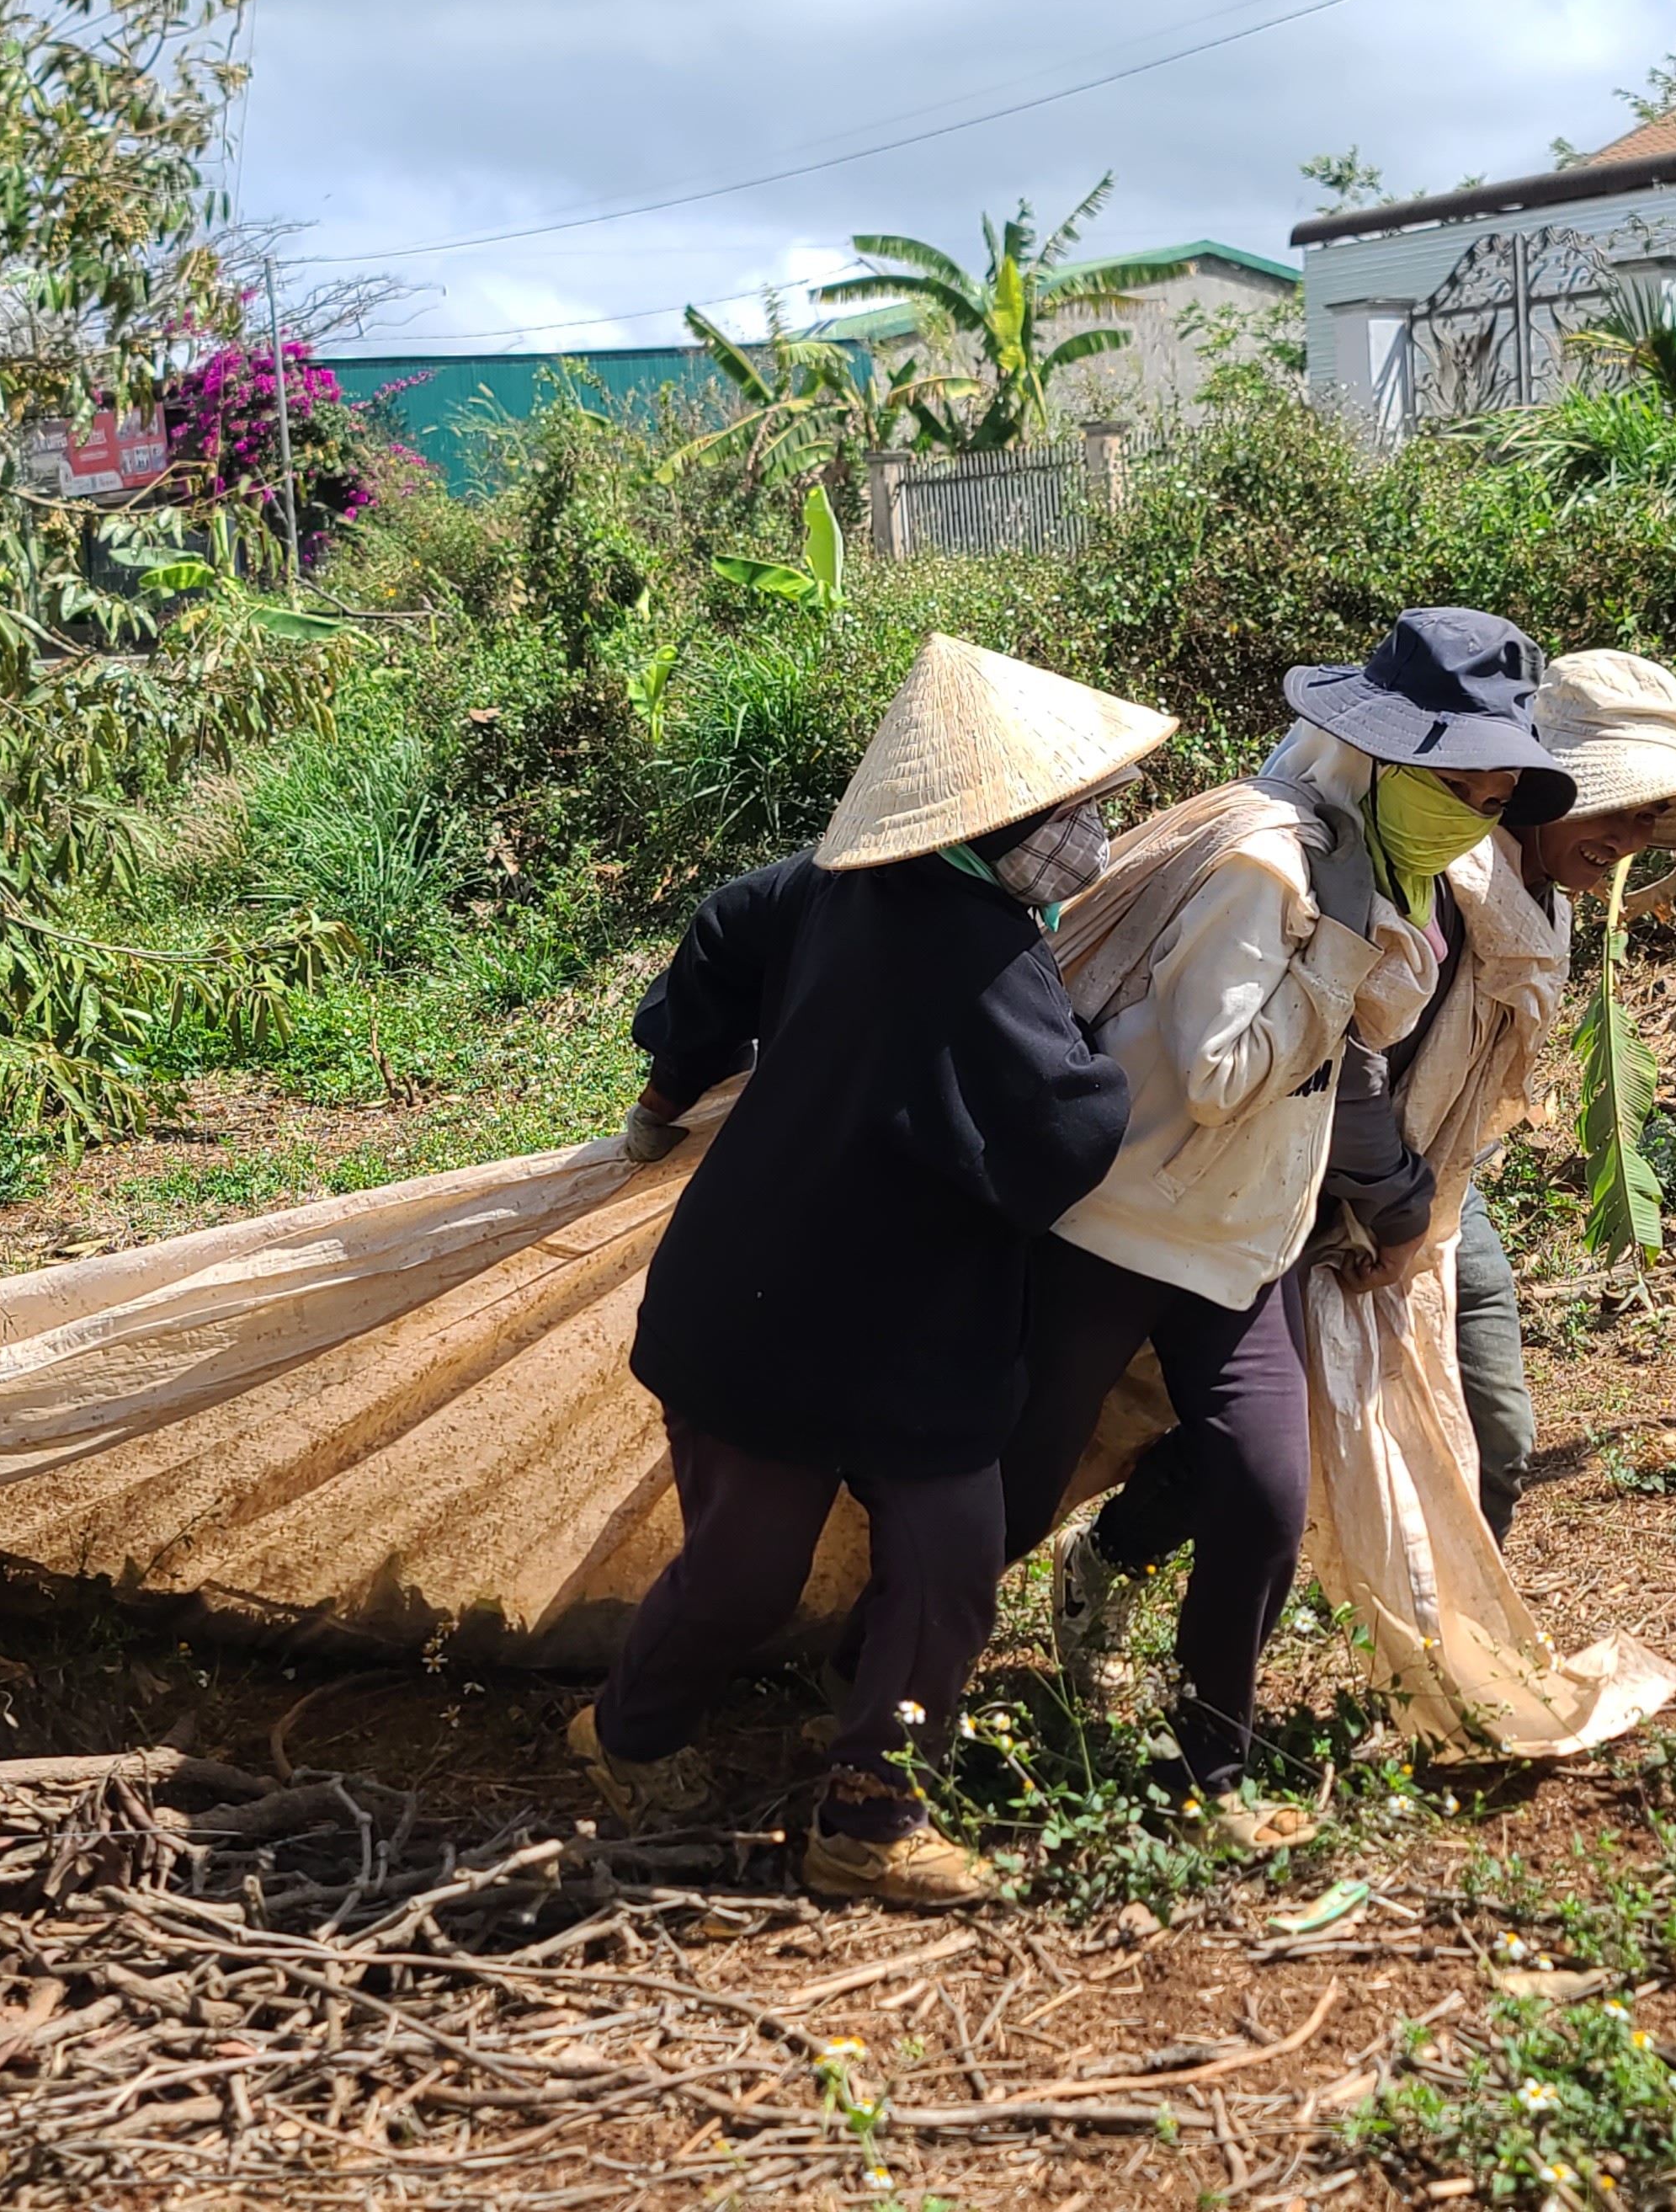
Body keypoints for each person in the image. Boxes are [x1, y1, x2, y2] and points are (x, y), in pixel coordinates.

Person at [567, 635, 1174, 1908]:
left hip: (806, 1306)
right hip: (823, 1322)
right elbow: (1060, 1139)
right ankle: (624, 1738)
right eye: (1077, 812)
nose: (1094, 834)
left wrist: (671, 1080)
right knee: (794, 1576)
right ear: (1002, 818)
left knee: (892, 1560)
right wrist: (1123, 1059)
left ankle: (871, 1808)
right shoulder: (981, 952)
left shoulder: (839, 887)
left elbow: (726, 928)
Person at [992, 609, 1572, 1852]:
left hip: (1244, 1244)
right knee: (1013, 1490)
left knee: (1262, 1494)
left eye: (1494, 786)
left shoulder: (1397, 888)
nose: (1475, 806)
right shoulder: (1272, 862)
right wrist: (1334, 972)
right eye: (1454, 779)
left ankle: (1212, 1777)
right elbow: (1214, 1072)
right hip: (1123, 1228)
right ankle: (887, 1702)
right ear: (1375, 759)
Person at [1451, 649, 1676, 1542]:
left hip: (1441, 1190)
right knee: (1257, 1439)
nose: (1630, 835)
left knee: (1495, 1432)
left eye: (1650, 813)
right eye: (1616, 803)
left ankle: (1462, 1648)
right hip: (1333, 1188)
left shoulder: (1555, 893)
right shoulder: (1448, 878)